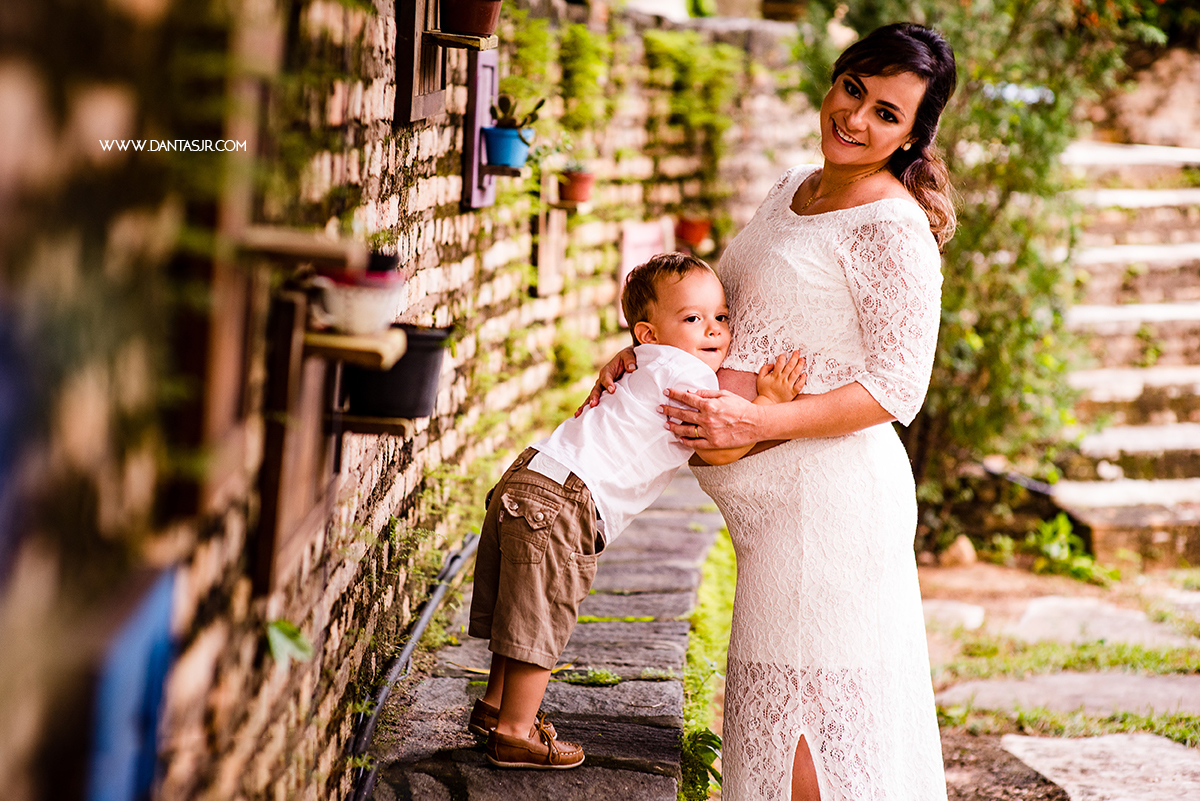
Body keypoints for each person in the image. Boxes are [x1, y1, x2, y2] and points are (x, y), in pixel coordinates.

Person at [581, 22, 958, 801]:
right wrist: (651, 356)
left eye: (886, 113)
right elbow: (726, 314)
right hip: (768, 518)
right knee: (770, 720)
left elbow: (897, 388)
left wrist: (758, 422)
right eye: (852, 89)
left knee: (812, 743)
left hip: (833, 510)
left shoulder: (893, 228)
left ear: (912, 136)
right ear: (833, 80)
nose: (855, 119)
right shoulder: (790, 187)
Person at [469, 253, 806, 769]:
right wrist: (770, 404)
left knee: (521, 602)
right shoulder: (689, 373)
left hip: (531, 473)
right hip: (566, 502)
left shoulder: (645, 361)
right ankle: (516, 733)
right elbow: (716, 447)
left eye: (721, 317)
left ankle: (496, 707)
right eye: (693, 319)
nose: (714, 330)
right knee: (543, 614)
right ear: (649, 332)